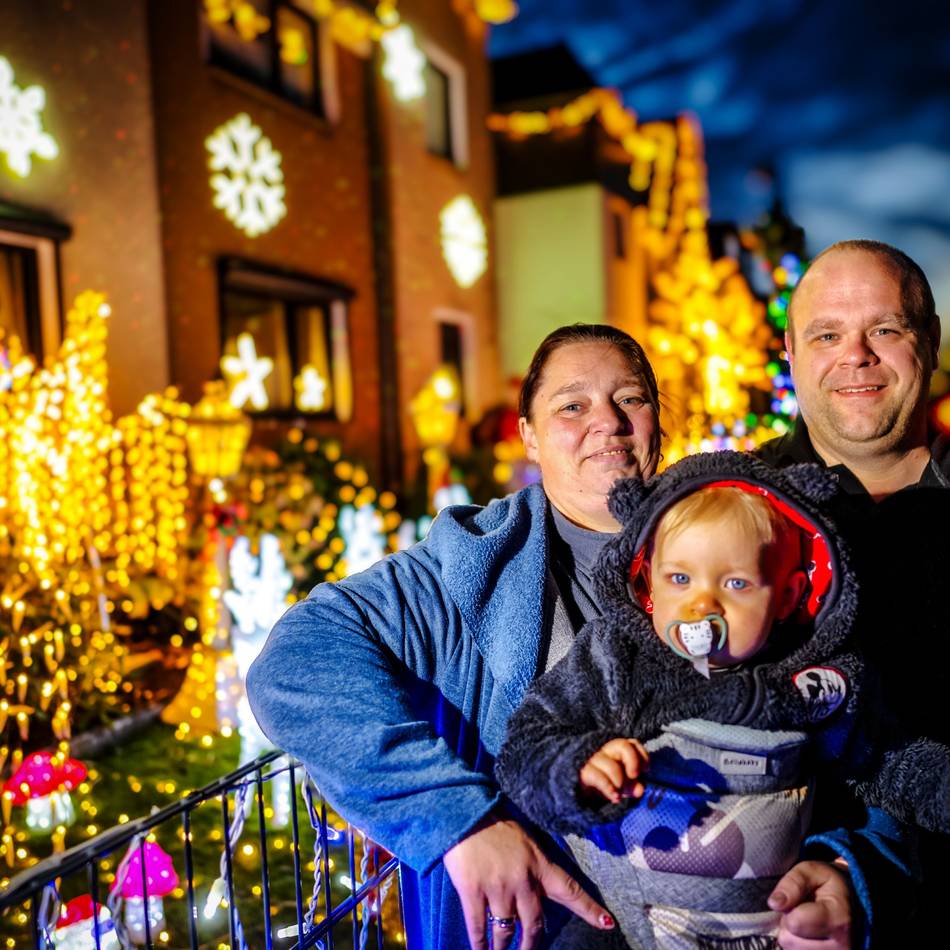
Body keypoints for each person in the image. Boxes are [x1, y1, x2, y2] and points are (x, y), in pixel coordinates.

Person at [248, 324, 883, 949]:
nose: (606, 421)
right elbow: (294, 665)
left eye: (629, 398)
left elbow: (864, 748)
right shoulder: (464, 571)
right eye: (572, 405)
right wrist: (457, 821)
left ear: (657, 422)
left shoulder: (750, 539)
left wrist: (844, 869)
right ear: (528, 433)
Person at [496, 451, 950, 948]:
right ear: (648, 581)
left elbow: (889, 761)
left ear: (785, 595)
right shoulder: (618, 658)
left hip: (765, 925)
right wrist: (575, 766)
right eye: (680, 579)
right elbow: (525, 742)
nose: (701, 604)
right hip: (628, 920)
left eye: (735, 583)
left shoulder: (811, 681)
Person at [758, 239, 950, 936]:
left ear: (928, 341)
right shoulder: (731, 509)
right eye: (828, 334)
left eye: (886, 330)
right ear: (791, 353)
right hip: (781, 910)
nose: (857, 356)